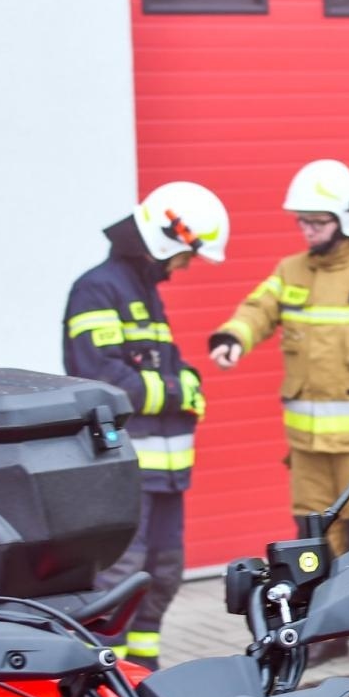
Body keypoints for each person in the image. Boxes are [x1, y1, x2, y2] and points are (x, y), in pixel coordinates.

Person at [207, 159, 349, 673]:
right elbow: (258, 310)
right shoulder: (289, 273)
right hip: (306, 447)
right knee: (310, 546)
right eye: (302, 221)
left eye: (316, 221)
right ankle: (326, 629)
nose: (307, 230)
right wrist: (233, 336)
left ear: (346, 219)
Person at [63, 181, 229, 670]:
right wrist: (178, 392)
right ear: (166, 239)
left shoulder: (142, 293)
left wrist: (185, 382)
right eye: (187, 254)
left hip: (166, 473)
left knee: (165, 572)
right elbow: (102, 379)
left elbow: (162, 369)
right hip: (125, 470)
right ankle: (100, 674)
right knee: (122, 574)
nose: (185, 266)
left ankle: (142, 669)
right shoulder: (98, 288)